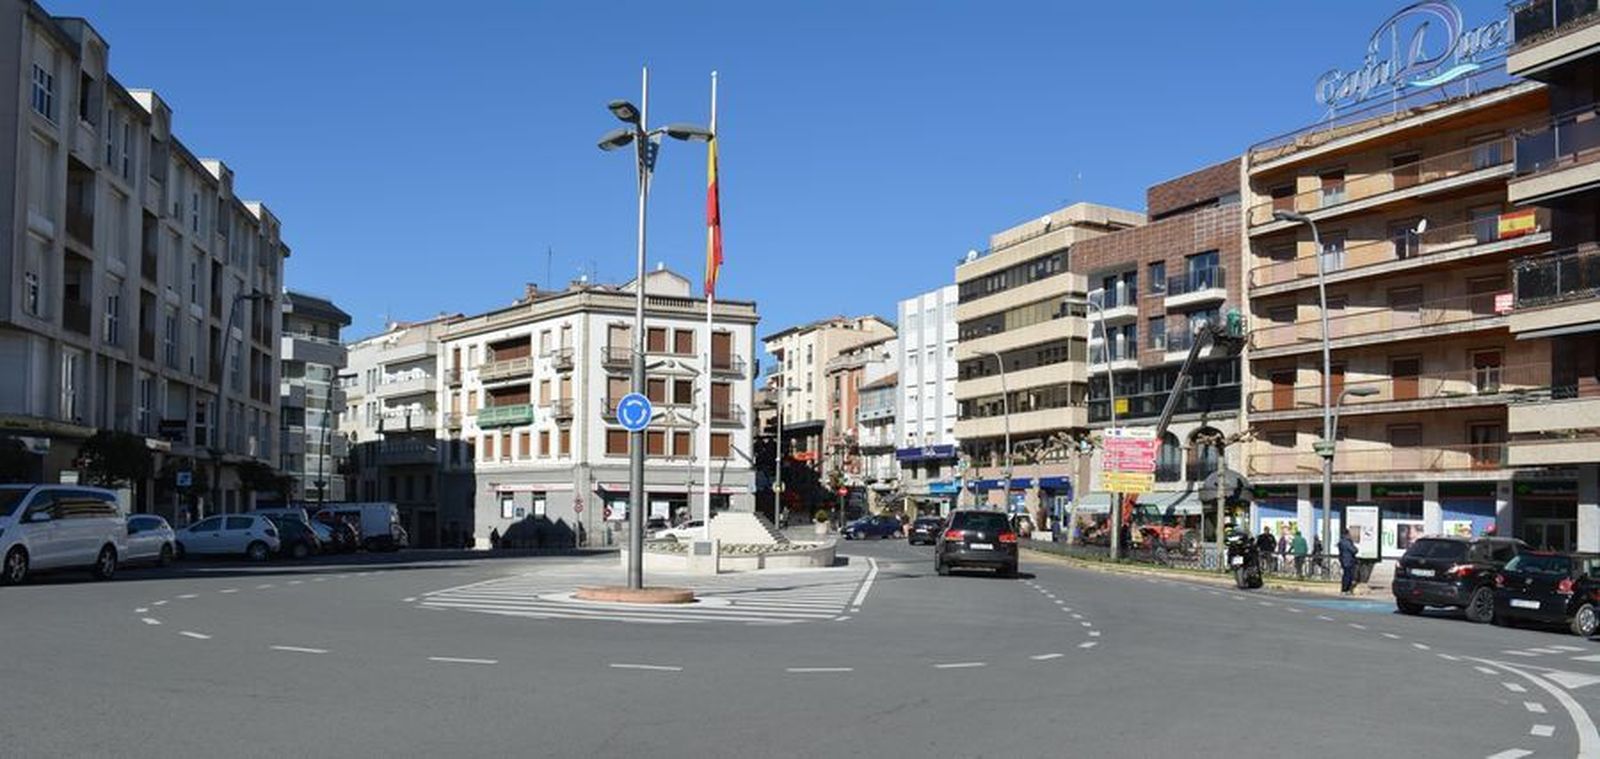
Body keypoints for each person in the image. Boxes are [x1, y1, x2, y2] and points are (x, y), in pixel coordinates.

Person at [1338, 528, 1359, 594]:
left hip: (1344, 560)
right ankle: (1346, 589)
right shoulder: (1347, 542)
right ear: (1347, 534)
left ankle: (1345, 589)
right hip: (1349, 560)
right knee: (1348, 575)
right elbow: (1354, 550)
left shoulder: (1341, 541)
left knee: (1346, 575)